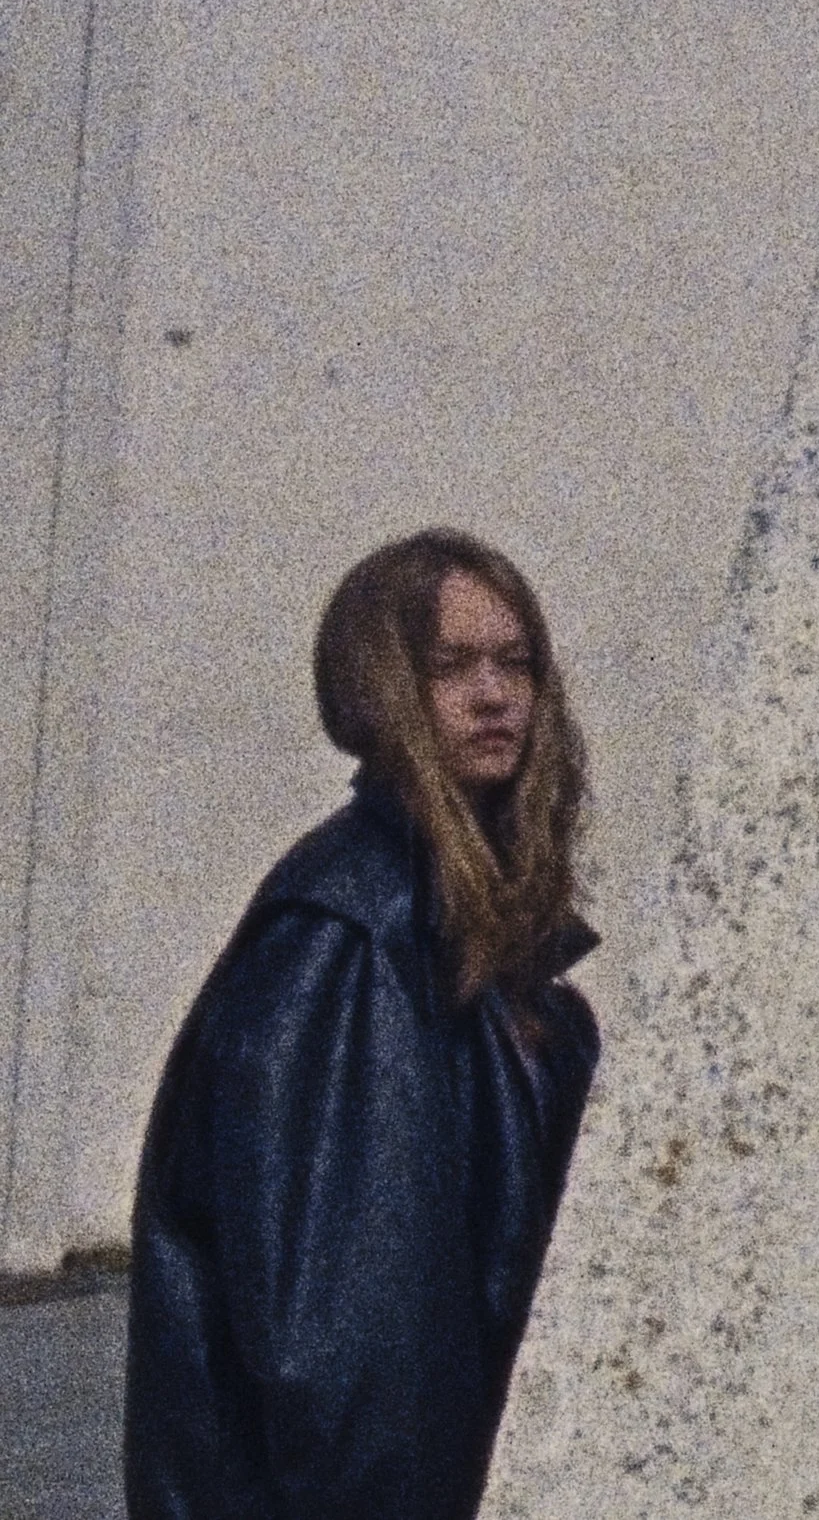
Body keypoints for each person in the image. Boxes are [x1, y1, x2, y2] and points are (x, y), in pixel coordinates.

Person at [126, 529, 601, 1520]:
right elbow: (352, 1348)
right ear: (381, 686)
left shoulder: (464, 928)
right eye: (450, 666)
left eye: (516, 662)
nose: (493, 695)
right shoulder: (351, 934)